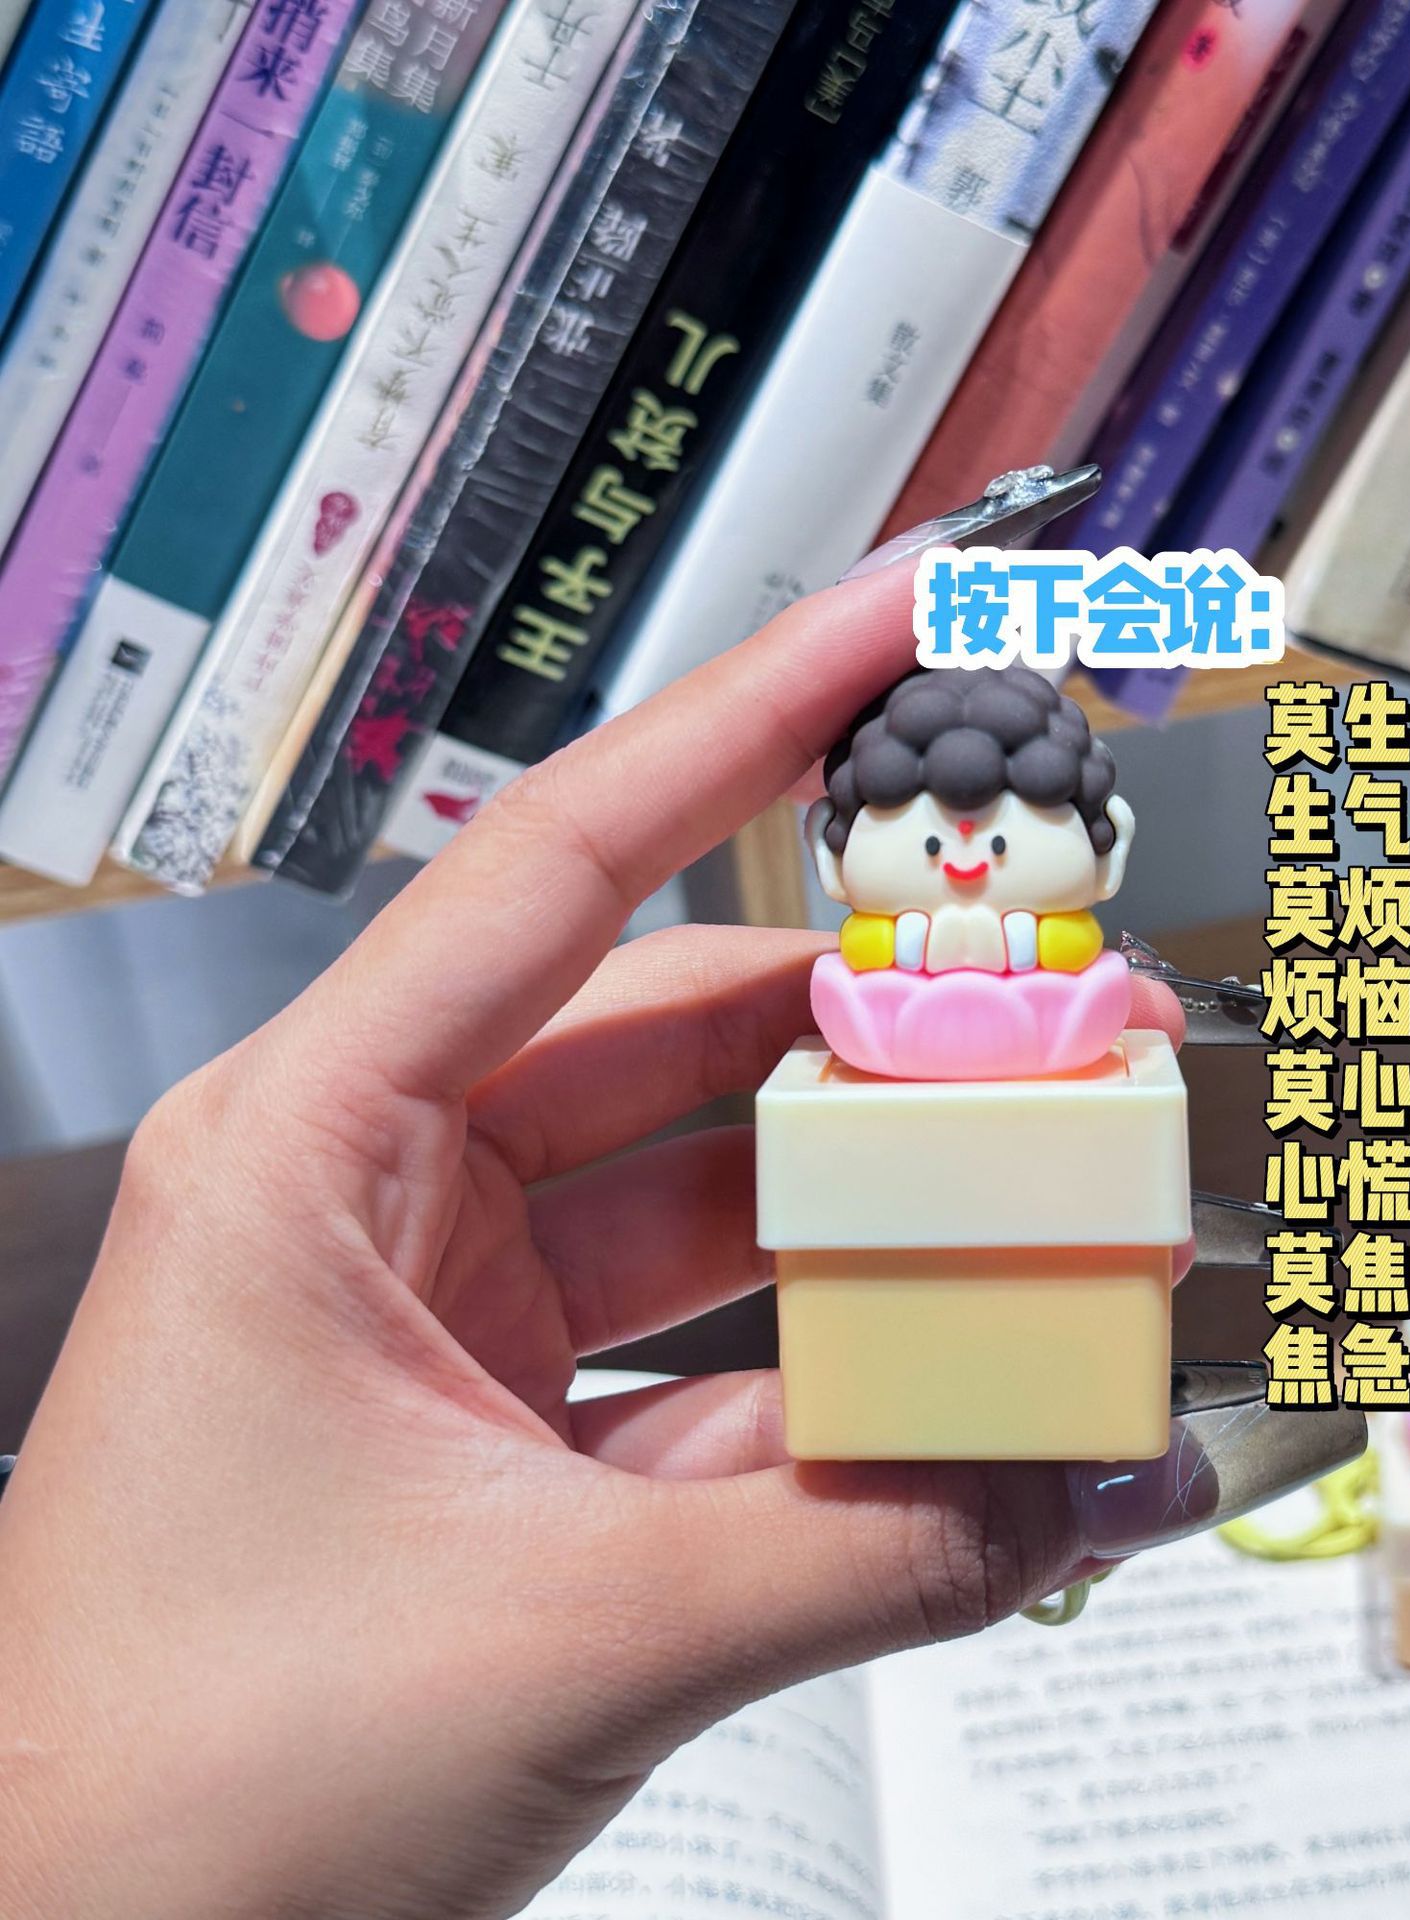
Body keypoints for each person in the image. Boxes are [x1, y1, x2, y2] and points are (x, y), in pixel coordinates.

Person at [0, 564, 1188, 1919]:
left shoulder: (1073, 984)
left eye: (1011, 829)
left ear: (1097, 848)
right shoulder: (862, 999)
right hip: (894, 1119)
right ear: (840, 859)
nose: (967, 860)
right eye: (923, 834)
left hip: (1055, 1111)